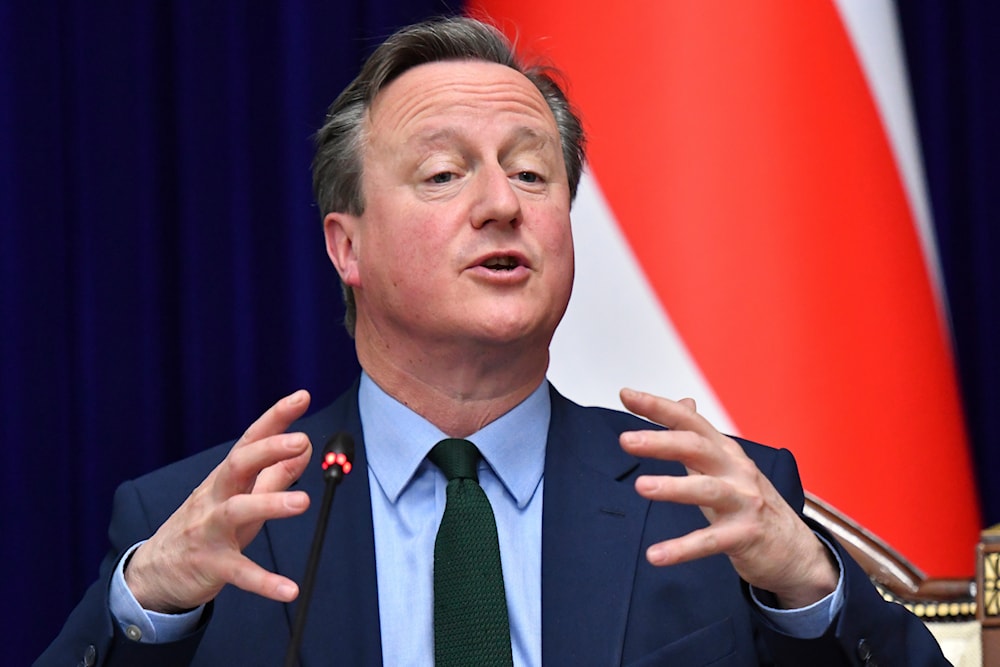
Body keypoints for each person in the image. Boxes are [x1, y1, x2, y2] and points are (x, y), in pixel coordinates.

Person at [38, 16, 948, 666]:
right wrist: (144, 605)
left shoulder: (706, 504)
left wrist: (804, 587)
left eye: (529, 171)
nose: (502, 203)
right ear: (345, 245)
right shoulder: (207, 533)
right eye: (443, 172)